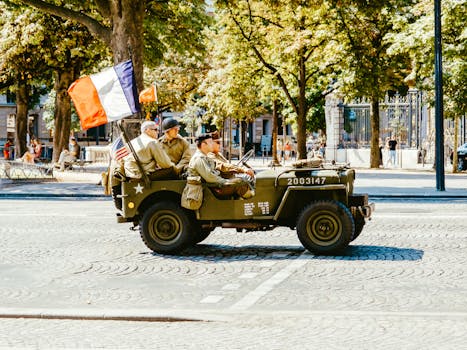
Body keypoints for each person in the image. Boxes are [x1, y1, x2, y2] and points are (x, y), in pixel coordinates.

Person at [188, 133, 253, 199]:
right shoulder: (199, 158)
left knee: (240, 181)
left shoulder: (205, 156)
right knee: (239, 182)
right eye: (210, 142)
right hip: (214, 188)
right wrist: (226, 181)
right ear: (204, 144)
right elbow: (210, 177)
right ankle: (251, 199)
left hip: (214, 185)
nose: (212, 144)